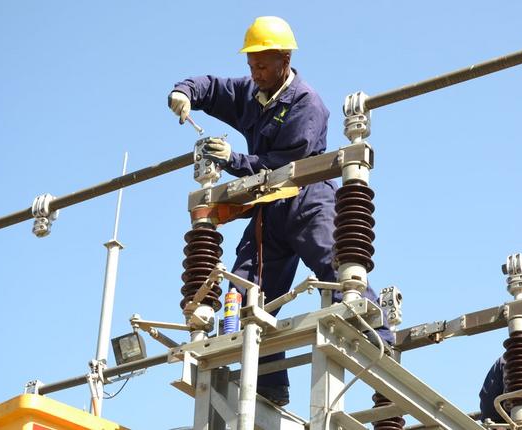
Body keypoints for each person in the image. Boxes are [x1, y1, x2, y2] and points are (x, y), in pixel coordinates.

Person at [167, 16, 392, 406]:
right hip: (267, 212)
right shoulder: (251, 89)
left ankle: (379, 340)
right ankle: (271, 381)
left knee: (335, 267)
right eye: (251, 64)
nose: (255, 72)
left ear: (285, 60)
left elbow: (284, 165)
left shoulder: (306, 103)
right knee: (250, 292)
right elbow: (213, 87)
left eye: (263, 64)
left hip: (306, 198)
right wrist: (184, 92)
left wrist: (233, 159)